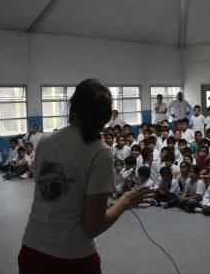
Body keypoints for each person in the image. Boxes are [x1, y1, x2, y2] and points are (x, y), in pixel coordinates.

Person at [18, 79, 150, 274]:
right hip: (73, 258)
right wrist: (124, 202)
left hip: (31, 251)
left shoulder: (46, 141)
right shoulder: (100, 152)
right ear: (105, 118)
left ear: (73, 105)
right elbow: (93, 227)